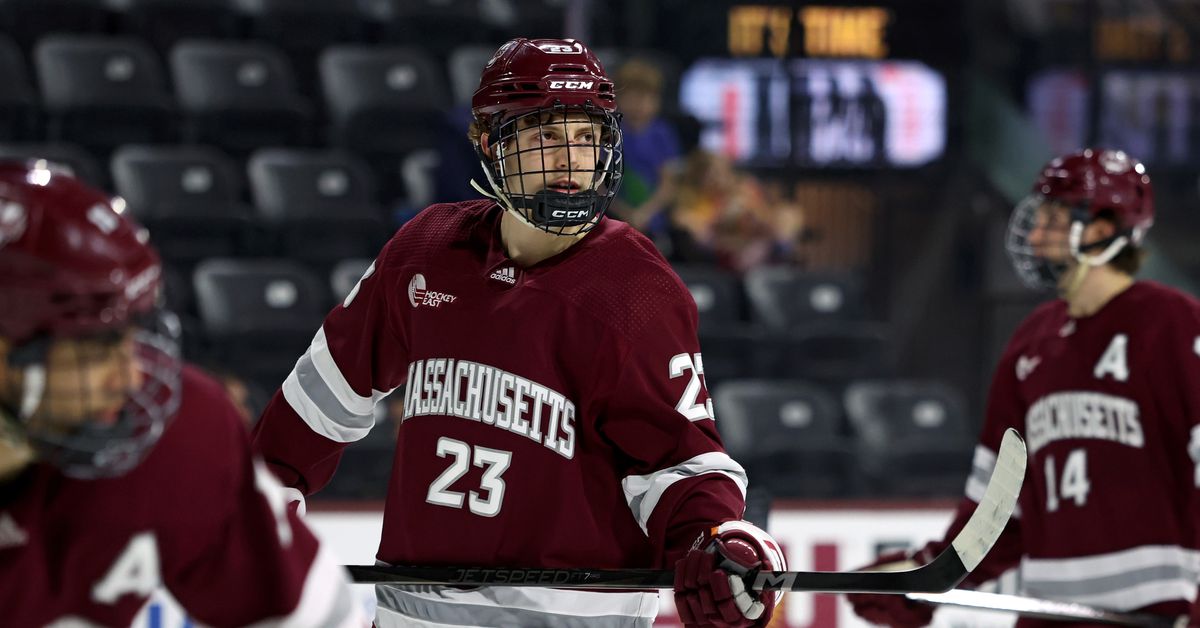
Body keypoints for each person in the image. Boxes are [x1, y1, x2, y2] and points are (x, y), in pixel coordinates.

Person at [252, 37, 786, 628]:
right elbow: (317, 400)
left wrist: (717, 542)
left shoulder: (636, 288)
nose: (570, 160)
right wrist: (257, 504)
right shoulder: (426, 250)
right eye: (545, 137)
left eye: (585, 137)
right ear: (488, 142)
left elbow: (680, 462)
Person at [846, 148, 1200, 627]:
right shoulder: (1031, 343)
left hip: (1161, 613)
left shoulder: (1176, 326)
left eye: (1053, 220)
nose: (1034, 235)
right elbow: (997, 509)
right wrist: (928, 577)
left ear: (1101, 229)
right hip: (1049, 612)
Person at [0, 160, 364, 627]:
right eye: (94, 350)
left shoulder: (179, 439)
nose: (129, 380)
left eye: (132, 337)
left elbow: (314, 618)